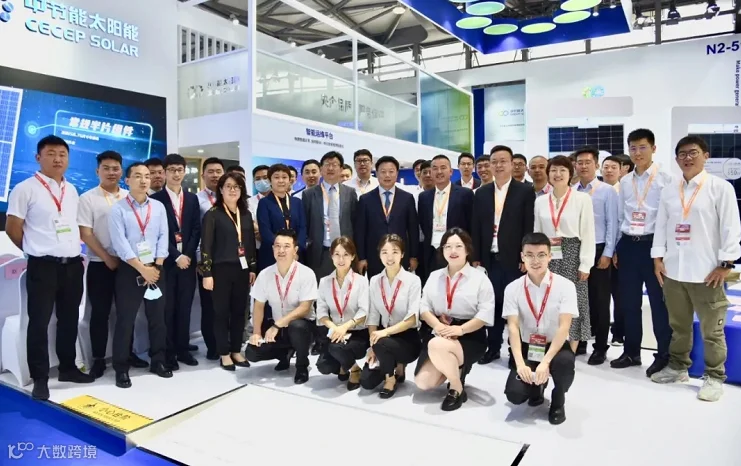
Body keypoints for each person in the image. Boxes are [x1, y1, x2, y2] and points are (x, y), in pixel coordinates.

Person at [650, 136, 741, 401]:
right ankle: (678, 367)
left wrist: (726, 264)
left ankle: (714, 376)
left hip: (707, 272)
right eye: (682, 154)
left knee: (712, 331)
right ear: (676, 159)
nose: (687, 158)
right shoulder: (670, 190)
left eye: (693, 153)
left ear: (705, 156)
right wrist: (658, 258)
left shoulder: (720, 188)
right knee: (679, 326)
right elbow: (661, 226)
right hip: (674, 271)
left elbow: (731, 227)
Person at [6, 135, 93, 400]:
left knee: (68, 319)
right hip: (42, 266)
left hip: (72, 266)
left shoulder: (72, 190)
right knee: (39, 322)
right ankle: (40, 378)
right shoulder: (25, 188)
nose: (57, 159)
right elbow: (13, 228)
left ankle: (67, 368)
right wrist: (34, 249)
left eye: (62, 154)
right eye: (51, 154)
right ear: (38, 157)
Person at [78, 151, 147, 378]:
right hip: (100, 264)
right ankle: (98, 359)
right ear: (97, 171)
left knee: (128, 313)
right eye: (106, 168)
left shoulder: (129, 196)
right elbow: (86, 233)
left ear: (121, 171)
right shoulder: (87, 198)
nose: (111, 172)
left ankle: (127, 353)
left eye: (115, 168)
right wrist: (107, 258)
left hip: (129, 265)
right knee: (100, 313)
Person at [611, 129, 673, 377]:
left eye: (643, 147)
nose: (637, 153)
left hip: (653, 247)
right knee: (629, 303)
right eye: (633, 148)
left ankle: (664, 355)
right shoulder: (625, 181)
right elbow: (620, 217)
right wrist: (617, 247)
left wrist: (662, 253)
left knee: (659, 304)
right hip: (628, 245)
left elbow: (669, 219)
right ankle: (631, 352)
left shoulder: (665, 179)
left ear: (653, 149)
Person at [108, 162, 172, 389]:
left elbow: (164, 236)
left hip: (156, 268)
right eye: (137, 176)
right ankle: (121, 368)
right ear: (127, 180)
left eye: (146, 176)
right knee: (126, 320)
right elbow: (120, 244)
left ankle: (158, 360)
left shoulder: (158, 207)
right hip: (130, 269)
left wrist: (157, 265)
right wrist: (142, 269)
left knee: (158, 318)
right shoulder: (118, 209)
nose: (144, 180)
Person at [415, 228, 494, 411]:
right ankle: (456, 369)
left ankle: (456, 388)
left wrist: (460, 330)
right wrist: (437, 324)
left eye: (458, 246)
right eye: (448, 246)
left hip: (469, 334)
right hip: (440, 329)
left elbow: (485, 313)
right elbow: (424, 307)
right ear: (442, 250)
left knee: (436, 345)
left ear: (467, 250)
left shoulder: (479, 278)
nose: (453, 251)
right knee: (423, 382)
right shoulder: (435, 276)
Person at [503, 233, 577, 425]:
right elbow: (513, 327)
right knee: (515, 394)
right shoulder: (512, 288)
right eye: (530, 255)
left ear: (550, 256)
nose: (535, 261)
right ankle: (537, 387)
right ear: (522, 257)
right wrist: (520, 364)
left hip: (555, 345)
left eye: (541, 255)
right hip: (528, 345)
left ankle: (558, 399)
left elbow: (564, 327)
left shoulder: (566, 286)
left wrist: (545, 362)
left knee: (564, 365)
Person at [471, 145, 534, 364]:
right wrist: (476, 257)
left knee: (515, 306)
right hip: (489, 258)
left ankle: (516, 351)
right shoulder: (482, 192)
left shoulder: (525, 191)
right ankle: (493, 347)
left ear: (511, 163)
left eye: (503, 161)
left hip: (514, 259)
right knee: (493, 304)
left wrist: (525, 256)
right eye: (494, 161)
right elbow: (476, 226)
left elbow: (528, 225)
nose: (498, 165)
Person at [534, 155, 595, 353]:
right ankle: (546, 348)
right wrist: (535, 260)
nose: (557, 174)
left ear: (570, 174)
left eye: (562, 170)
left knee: (572, 303)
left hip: (572, 255)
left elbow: (588, 233)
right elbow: (537, 233)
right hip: (547, 256)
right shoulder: (540, 201)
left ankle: (570, 352)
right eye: (553, 170)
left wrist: (585, 264)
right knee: (546, 301)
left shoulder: (582, 199)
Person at [201, 172, 258, 371]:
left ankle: (236, 350)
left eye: (237, 187)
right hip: (220, 270)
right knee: (221, 313)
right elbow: (206, 245)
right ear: (221, 190)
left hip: (242, 270)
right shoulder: (213, 214)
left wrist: (252, 267)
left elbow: (249, 244)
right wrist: (207, 273)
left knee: (239, 312)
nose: (233, 190)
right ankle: (224, 353)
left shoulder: (246, 214)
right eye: (228, 186)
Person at [245, 229, 317, 384]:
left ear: (295, 250)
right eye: (277, 246)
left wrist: (277, 325)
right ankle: (284, 353)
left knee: (297, 327)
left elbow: (305, 308)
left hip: (302, 327)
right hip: (278, 329)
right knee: (252, 352)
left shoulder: (306, 273)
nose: (281, 250)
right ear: (273, 249)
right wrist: (256, 333)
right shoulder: (265, 274)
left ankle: (302, 365)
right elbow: (258, 305)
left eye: (286, 246)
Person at [152, 154, 201, 369]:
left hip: (188, 263)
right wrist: (177, 256)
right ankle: (169, 352)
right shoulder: (156, 199)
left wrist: (187, 255)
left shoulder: (192, 198)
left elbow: (196, 229)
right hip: (167, 262)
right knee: (168, 309)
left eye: (180, 169)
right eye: (171, 169)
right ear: (164, 173)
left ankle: (183, 349)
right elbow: (157, 233)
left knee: (185, 307)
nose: (176, 173)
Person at [360, 234, 421, 398]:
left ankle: (391, 378)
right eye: (385, 252)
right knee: (366, 381)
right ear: (379, 255)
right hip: (383, 337)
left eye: (394, 252)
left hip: (407, 338)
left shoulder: (413, 280)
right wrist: (372, 345)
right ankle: (392, 364)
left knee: (381, 343)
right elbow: (373, 316)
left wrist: (382, 335)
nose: (389, 257)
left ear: (402, 254)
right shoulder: (375, 281)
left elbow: (412, 319)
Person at [575, 147, 619, 365]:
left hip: (599, 249)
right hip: (576, 250)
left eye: (588, 162)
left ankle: (600, 347)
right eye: (580, 162)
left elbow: (613, 223)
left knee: (600, 301)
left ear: (596, 165)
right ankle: (580, 341)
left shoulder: (607, 191)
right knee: (579, 300)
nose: (583, 166)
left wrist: (608, 253)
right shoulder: (571, 191)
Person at [315, 237, 370, 390]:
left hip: (357, 332)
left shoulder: (361, 281)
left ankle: (354, 370)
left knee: (335, 348)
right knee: (324, 366)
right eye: (337, 254)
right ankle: (348, 364)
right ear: (331, 256)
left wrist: (344, 327)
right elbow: (321, 312)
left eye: (346, 254)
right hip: (335, 332)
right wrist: (335, 328)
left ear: (352, 256)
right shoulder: (325, 282)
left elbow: (364, 311)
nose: (341, 259)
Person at [355, 156, 419, 278]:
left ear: (397, 173)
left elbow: (413, 230)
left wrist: (413, 256)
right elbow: (360, 231)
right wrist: (362, 257)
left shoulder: (407, 198)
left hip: (400, 255)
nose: (387, 175)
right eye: (383, 172)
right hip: (374, 256)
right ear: (376, 174)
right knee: (376, 287)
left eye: (391, 171)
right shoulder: (365, 200)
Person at [418, 155, 473, 284]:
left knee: (456, 287)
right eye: (435, 168)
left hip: (456, 252)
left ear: (451, 171)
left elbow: (471, 226)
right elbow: (423, 224)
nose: (439, 172)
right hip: (431, 252)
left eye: (443, 168)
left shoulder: (465, 194)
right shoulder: (424, 197)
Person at [303, 151, 357, 279]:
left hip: (345, 251)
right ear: (321, 169)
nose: (331, 168)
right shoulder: (309, 194)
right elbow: (305, 224)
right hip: (320, 252)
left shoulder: (350, 193)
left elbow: (355, 222)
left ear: (341, 169)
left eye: (335, 164)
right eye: (327, 164)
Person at [196, 157, 225, 360]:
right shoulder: (196, 200)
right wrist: (200, 261)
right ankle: (212, 346)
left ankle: (227, 344)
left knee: (226, 306)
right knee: (209, 307)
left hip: (228, 260)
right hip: (207, 261)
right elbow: (195, 232)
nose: (215, 175)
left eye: (218, 171)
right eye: (211, 171)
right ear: (203, 175)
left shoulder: (231, 197)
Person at [256, 164, 307, 272]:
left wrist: (295, 250)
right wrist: (282, 249)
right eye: (276, 177)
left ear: (289, 180)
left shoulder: (297, 202)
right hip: (271, 255)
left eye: (284, 177)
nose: (281, 181)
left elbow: (302, 228)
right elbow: (265, 231)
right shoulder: (264, 203)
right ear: (270, 180)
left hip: (295, 256)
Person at [249, 164, 271, 251]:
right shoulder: (249, 202)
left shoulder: (280, 199)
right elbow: (250, 221)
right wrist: (264, 234)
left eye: (265, 178)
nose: (261, 181)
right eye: (257, 179)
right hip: (258, 248)